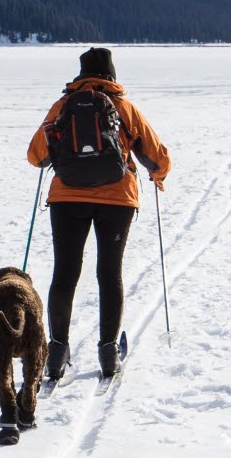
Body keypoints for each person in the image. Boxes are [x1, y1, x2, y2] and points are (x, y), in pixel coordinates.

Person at [27, 48, 171, 379]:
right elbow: (157, 156)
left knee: (64, 273)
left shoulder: (63, 106)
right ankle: (108, 353)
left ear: (80, 74)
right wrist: (157, 177)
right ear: (112, 74)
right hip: (117, 200)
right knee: (109, 273)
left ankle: (57, 351)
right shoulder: (124, 107)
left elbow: (36, 155)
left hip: (67, 198)